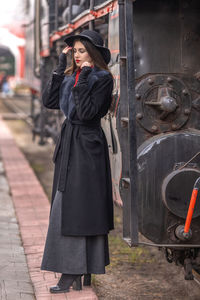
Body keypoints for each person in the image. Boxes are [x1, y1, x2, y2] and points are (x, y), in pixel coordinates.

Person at [41, 29, 114, 294]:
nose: (78, 55)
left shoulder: (103, 78)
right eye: (75, 51)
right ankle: (75, 269)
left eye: (82, 51)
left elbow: (85, 114)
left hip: (87, 147)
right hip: (70, 144)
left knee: (81, 209)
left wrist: (82, 78)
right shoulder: (72, 74)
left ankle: (72, 272)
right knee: (66, 207)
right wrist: (61, 68)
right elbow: (50, 101)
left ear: (93, 54)